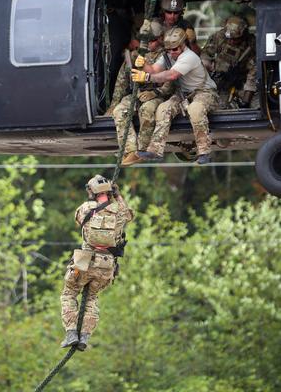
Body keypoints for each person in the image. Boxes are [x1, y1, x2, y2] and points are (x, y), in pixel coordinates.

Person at [60, 175, 134, 351]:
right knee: (92, 297)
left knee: (69, 294)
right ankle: (85, 336)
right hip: (107, 264)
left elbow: (78, 219)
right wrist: (117, 196)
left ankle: (71, 333)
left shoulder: (85, 208)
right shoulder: (120, 211)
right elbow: (129, 215)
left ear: (91, 192)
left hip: (85, 260)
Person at [131, 27, 218, 165]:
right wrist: (144, 65)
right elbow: (154, 70)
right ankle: (155, 150)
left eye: (175, 49)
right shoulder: (168, 55)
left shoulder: (189, 57)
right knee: (164, 108)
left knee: (195, 109)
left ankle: (204, 151)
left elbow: (171, 75)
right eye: (168, 49)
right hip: (183, 94)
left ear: (183, 45)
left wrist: (147, 77)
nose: (172, 53)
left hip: (204, 92)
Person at [108, 23, 173, 166]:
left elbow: (172, 81)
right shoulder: (134, 55)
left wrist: (155, 92)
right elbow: (122, 81)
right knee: (120, 111)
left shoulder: (166, 57)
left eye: (153, 40)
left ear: (161, 38)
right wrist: (114, 104)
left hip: (158, 95)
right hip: (137, 93)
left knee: (147, 110)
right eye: (146, 40)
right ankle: (130, 150)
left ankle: (142, 149)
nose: (149, 44)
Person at [201, 15, 257, 108]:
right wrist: (211, 66)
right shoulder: (219, 37)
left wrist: (246, 100)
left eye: (235, 39)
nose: (231, 41)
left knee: (255, 105)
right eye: (229, 38)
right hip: (219, 80)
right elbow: (205, 54)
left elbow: (254, 72)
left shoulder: (251, 44)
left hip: (244, 82)